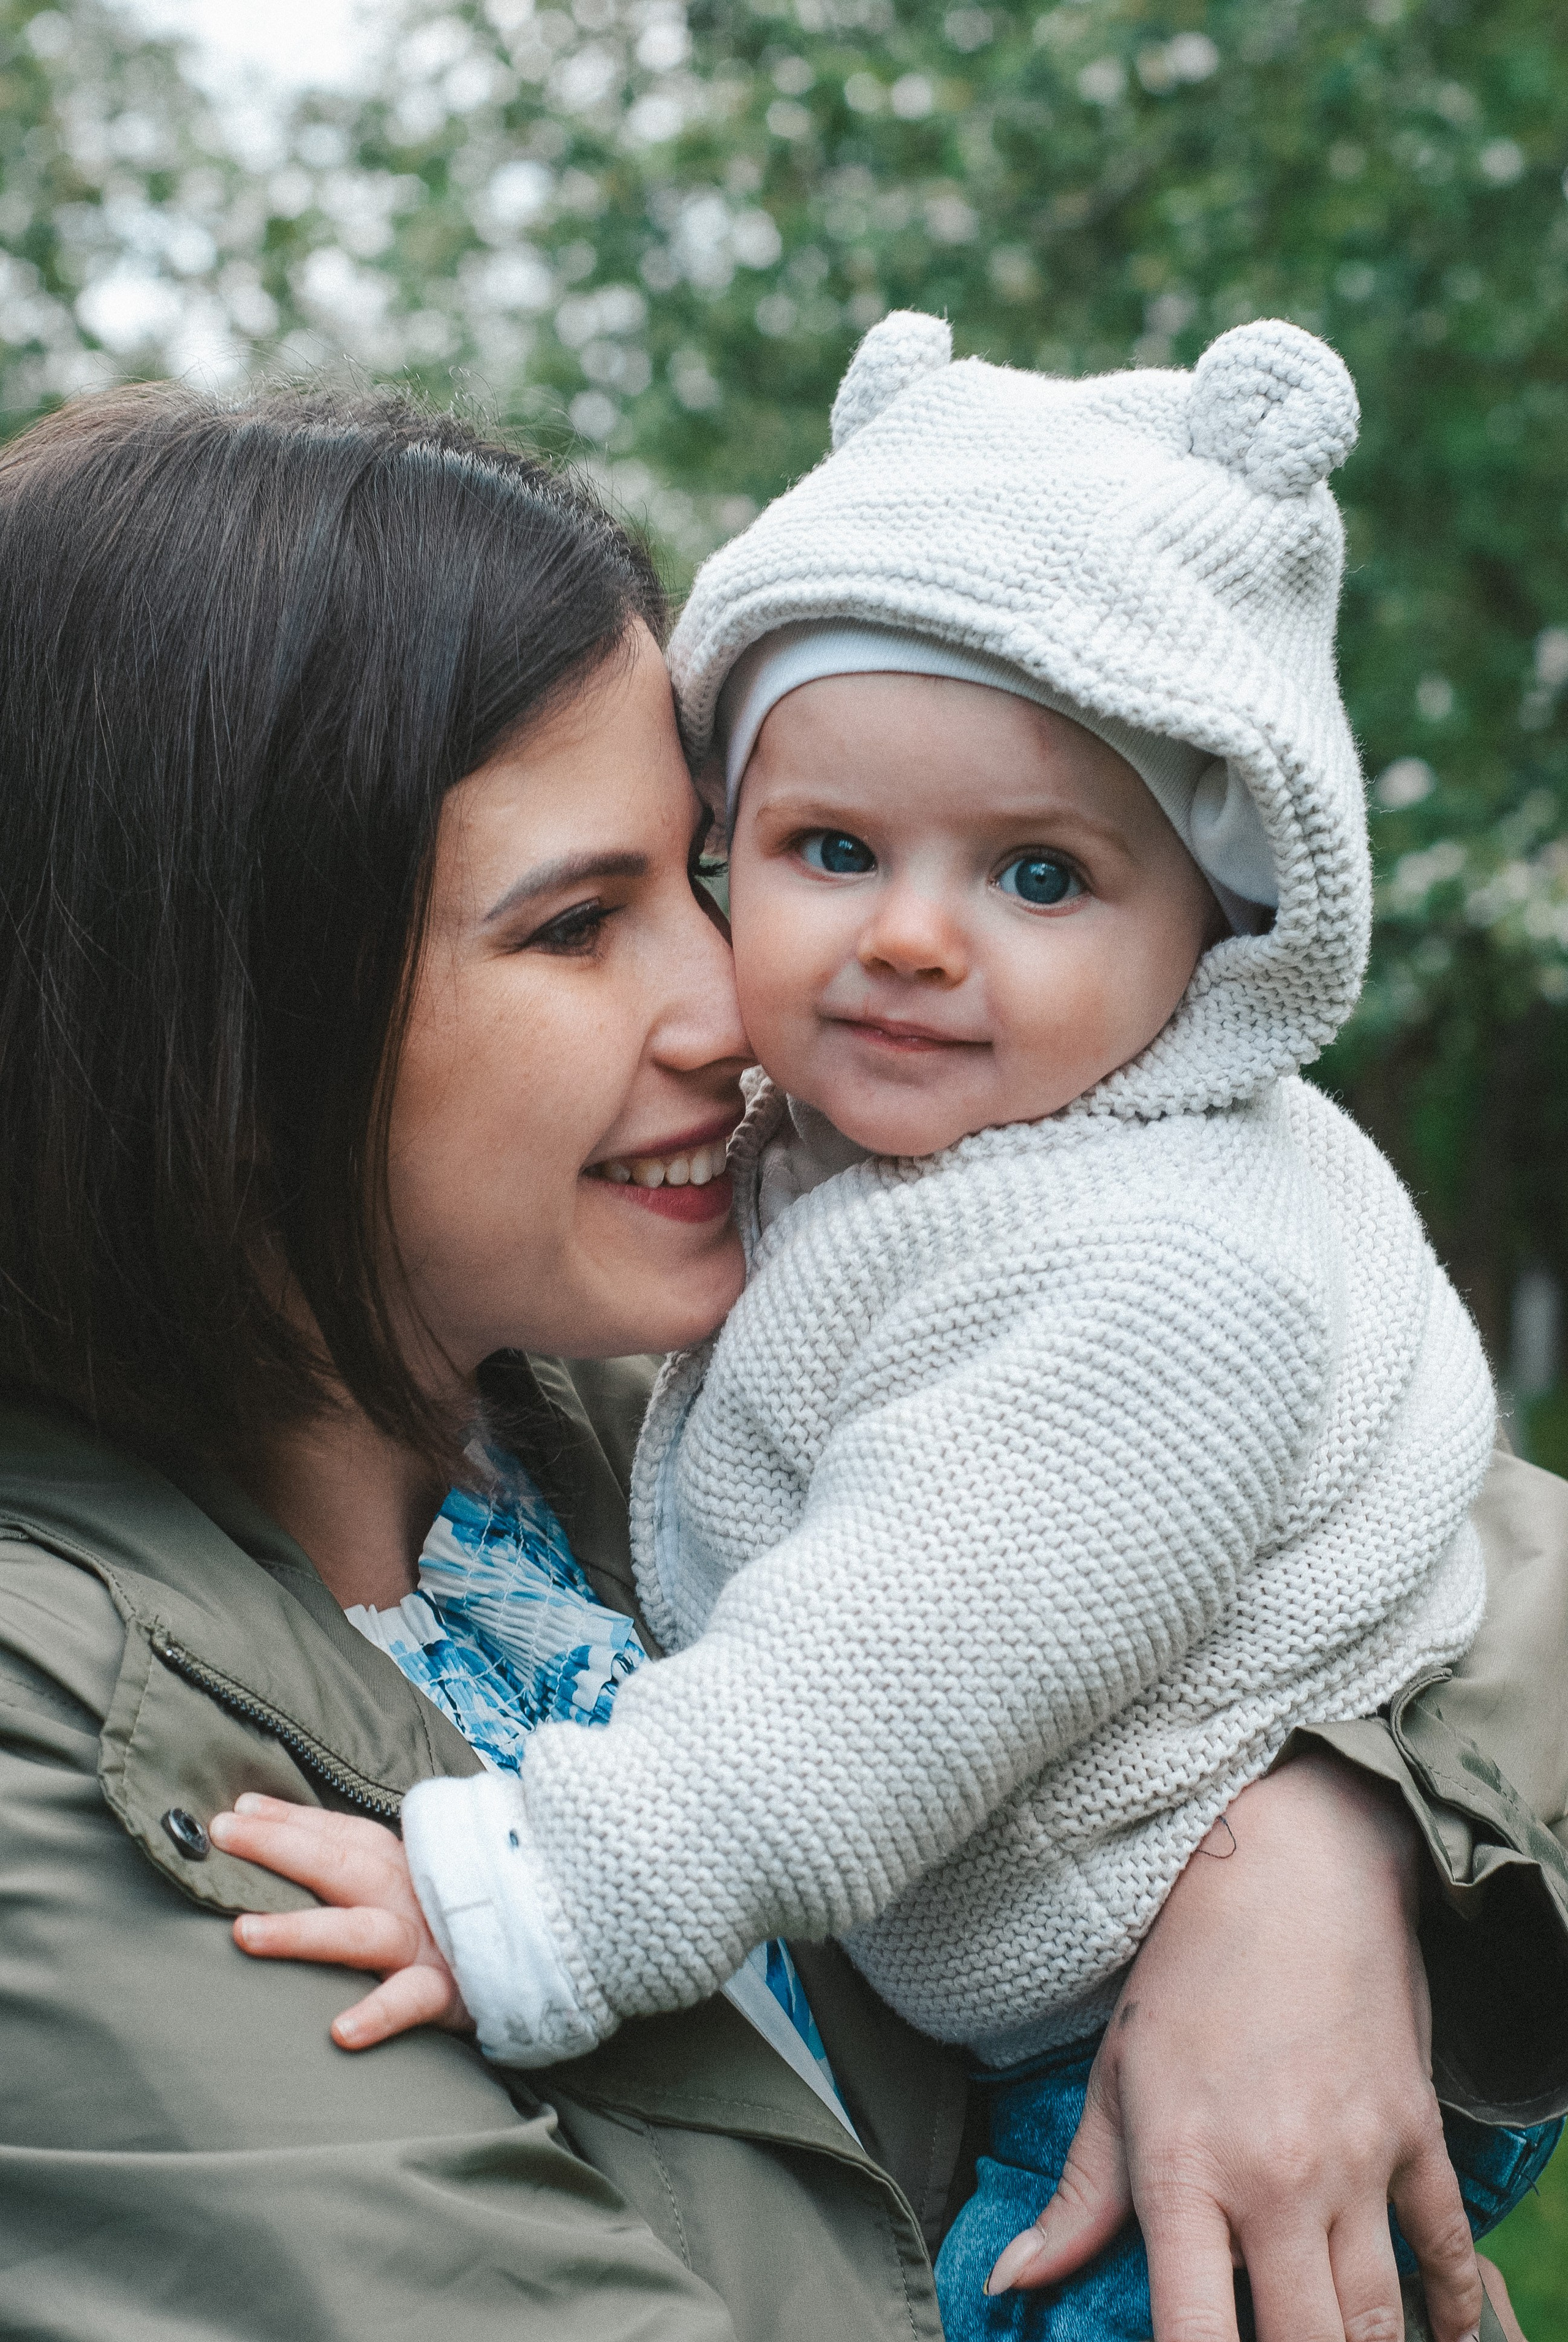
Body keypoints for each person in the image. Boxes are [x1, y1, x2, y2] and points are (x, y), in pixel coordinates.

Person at [0, 378, 1562, 2342]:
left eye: (702, 878)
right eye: (582, 925)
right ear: (211, 1020)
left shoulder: (608, 1413)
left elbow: (1457, 1512)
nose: (733, 1009)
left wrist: (1303, 1852)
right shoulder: (56, 1727)